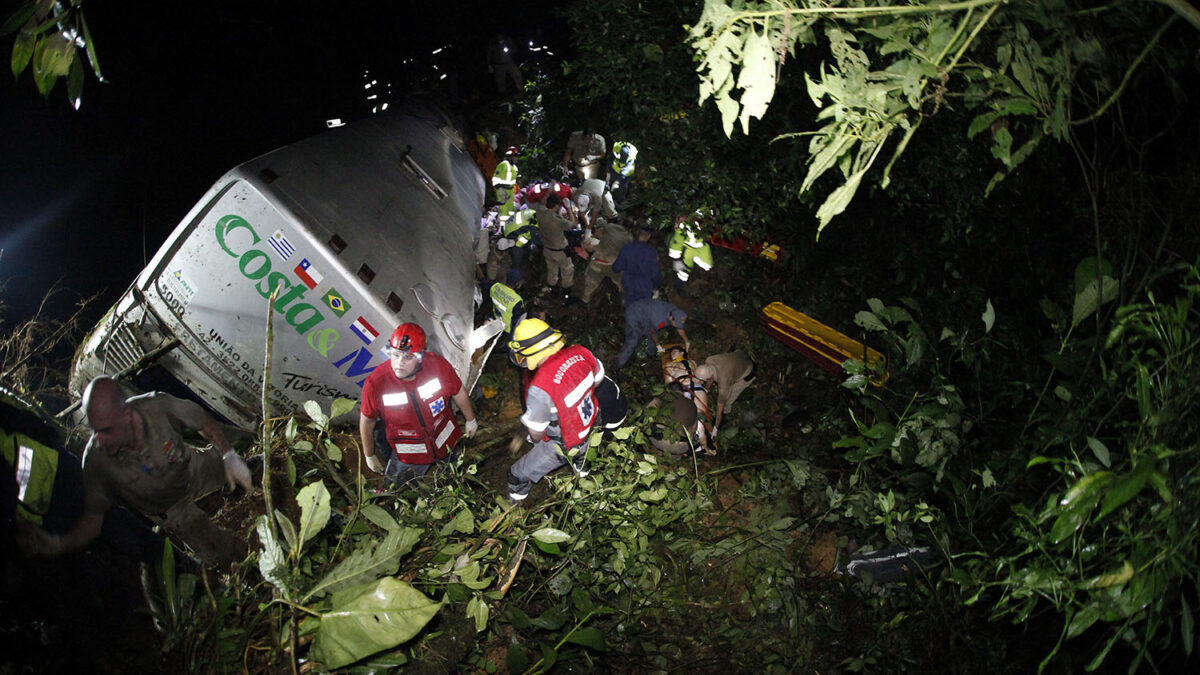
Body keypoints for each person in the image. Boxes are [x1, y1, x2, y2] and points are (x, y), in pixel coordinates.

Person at [18, 376, 254, 568]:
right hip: (170, 509)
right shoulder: (96, 463)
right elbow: (93, 521)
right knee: (224, 554)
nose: (99, 441)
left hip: (191, 468)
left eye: (106, 430)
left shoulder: (156, 406)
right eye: (94, 431)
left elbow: (202, 421)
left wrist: (228, 455)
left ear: (127, 416)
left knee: (253, 471)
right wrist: (59, 543)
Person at [358, 323, 478, 487]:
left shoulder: (438, 366)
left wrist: (470, 419)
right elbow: (367, 420)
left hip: (445, 441)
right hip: (410, 453)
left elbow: (458, 391)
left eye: (408, 357)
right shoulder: (376, 383)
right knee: (397, 490)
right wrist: (369, 454)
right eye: (396, 354)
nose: (400, 362)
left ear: (421, 357)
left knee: (456, 479)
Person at [505, 318, 606, 502]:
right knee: (584, 463)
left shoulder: (540, 387)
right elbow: (598, 378)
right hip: (593, 425)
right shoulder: (582, 352)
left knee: (516, 475)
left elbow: (536, 432)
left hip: (565, 444)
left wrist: (533, 439)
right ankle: (584, 477)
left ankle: (514, 509)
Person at [615, 298, 690, 369]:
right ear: (671, 318)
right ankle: (617, 365)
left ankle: (651, 354)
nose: (677, 326)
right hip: (634, 314)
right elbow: (652, 332)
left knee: (649, 334)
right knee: (633, 341)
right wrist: (658, 345)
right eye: (676, 324)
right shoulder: (659, 320)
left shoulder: (675, 311)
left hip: (647, 314)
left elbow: (679, 327)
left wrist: (686, 341)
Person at [534, 193, 579, 303]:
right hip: (560, 252)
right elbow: (573, 224)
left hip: (548, 250)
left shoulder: (540, 214)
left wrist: (549, 190)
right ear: (557, 206)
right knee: (567, 270)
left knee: (552, 271)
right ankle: (566, 295)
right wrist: (568, 208)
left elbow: (541, 203)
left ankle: (553, 291)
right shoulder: (557, 220)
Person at [697, 350, 757, 431]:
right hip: (740, 355)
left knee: (727, 400)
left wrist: (716, 428)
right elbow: (709, 378)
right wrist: (705, 389)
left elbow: (719, 408)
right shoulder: (709, 360)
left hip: (749, 372)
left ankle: (726, 413)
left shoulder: (724, 383)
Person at [580, 217, 632, 304]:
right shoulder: (630, 239)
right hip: (614, 266)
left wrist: (592, 239)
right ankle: (625, 297)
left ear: (621, 221)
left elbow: (597, 233)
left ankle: (585, 299)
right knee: (621, 282)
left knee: (591, 283)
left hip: (598, 262)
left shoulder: (611, 227)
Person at [611, 224, 662, 306]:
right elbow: (656, 274)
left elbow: (616, 268)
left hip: (629, 286)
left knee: (631, 310)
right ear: (648, 236)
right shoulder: (652, 252)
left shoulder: (627, 248)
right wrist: (656, 287)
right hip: (645, 288)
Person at [668, 211, 715, 292]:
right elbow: (677, 239)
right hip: (689, 248)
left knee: (708, 265)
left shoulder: (705, 219)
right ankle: (678, 285)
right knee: (685, 269)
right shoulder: (684, 222)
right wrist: (676, 258)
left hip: (702, 246)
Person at [607, 140, 637, 210]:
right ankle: (611, 199)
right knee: (611, 184)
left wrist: (617, 181)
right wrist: (608, 172)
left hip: (626, 174)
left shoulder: (631, 156)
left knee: (622, 187)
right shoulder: (616, 148)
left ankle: (618, 202)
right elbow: (609, 160)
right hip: (614, 169)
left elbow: (626, 170)